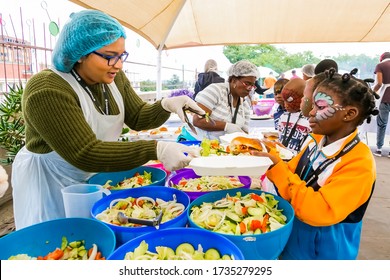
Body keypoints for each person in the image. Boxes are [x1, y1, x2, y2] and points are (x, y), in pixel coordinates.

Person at [11, 10, 205, 230]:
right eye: (109, 56)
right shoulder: (47, 88)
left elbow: (138, 117)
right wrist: (156, 149)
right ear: (81, 53)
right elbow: (84, 152)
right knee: (57, 237)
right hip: (50, 180)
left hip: (92, 175)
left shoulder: (112, 76)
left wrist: (166, 105)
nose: (119, 64)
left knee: (93, 233)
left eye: (122, 55)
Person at [252, 68, 378, 259]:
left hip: (326, 253)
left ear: (349, 114)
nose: (310, 112)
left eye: (320, 107)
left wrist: (277, 168)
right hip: (296, 240)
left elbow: (319, 211)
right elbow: (291, 170)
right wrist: (273, 156)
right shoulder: (315, 139)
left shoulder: (359, 162)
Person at [192, 60, 260, 140]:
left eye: (252, 85)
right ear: (234, 81)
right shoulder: (215, 91)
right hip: (205, 146)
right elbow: (198, 120)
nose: (249, 89)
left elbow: (244, 133)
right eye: (247, 84)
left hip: (228, 150)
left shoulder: (244, 106)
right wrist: (226, 126)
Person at [277, 78, 311, 153]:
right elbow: (279, 136)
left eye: (290, 101)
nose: (286, 105)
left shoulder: (309, 120)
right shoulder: (283, 117)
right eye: (284, 101)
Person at [373, 51, 390, 157]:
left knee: (382, 124)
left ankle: (379, 149)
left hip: (385, 98)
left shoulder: (380, 66)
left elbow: (379, 83)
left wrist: (373, 92)